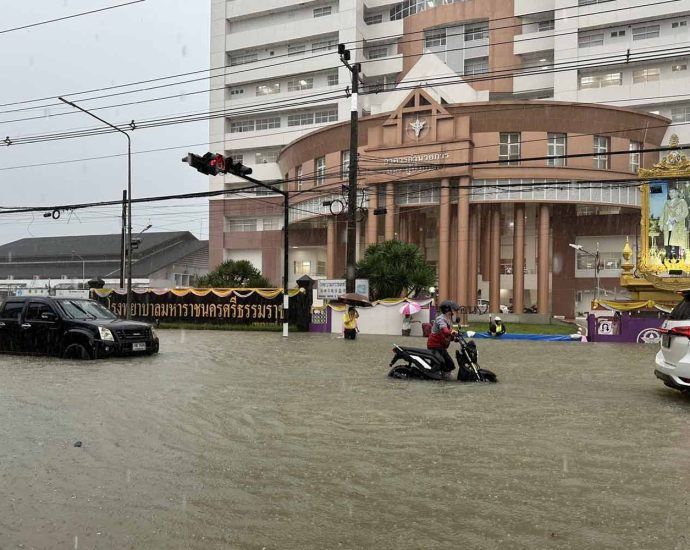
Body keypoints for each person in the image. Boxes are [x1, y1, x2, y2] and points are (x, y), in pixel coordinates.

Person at [427, 301, 459, 373]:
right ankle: (432, 377)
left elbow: (447, 334)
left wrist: (454, 338)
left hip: (441, 346)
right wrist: (453, 332)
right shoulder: (440, 319)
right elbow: (445, 331)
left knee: (450, 365)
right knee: (438, 364)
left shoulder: (449, 319)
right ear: (448, 310)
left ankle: (443, 376)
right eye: (453, 309)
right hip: (435, 346)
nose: (454, 311)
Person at [660, 186, 689, 251]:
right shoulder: (666, 203)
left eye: (673, 192)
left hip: (677, 225)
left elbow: (685, 212)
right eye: (670, 192)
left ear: (677, 193)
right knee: (667, 242)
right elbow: (663, 214)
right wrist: (661, 224)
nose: (671, 194)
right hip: (667, 225)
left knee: (676, 242)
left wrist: (676, 219)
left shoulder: (682, 201)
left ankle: (676, 259)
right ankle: (668, 257)